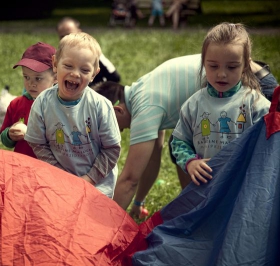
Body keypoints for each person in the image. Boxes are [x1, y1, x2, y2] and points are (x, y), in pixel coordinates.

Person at [93, 50, 278, 219]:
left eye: (105, 125)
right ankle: (194, 207)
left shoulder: (146, 107)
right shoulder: (141, 91)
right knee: (178, 144)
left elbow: (129, 179)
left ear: (117, 110)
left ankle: (208, 209)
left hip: (254, 85)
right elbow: (152, 158)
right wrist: (138, 203)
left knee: (262, 156)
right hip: (248, 74)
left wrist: (101, 226)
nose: (116, 131)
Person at [171, 22, 271, 186]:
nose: (222, 74)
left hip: (242, 188)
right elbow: (179, 142)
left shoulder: (257, 105)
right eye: (213, 66)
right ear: (204, 63)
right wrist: (190, 162)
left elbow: (269, 147)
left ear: (245, 65)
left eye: (232, 67)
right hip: (206, 189)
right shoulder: (193, 105)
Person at [24, 32, 122, 198]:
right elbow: (38, 144)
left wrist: (89, 179)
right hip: (57, 183)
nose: (75, 74)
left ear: (94, 74)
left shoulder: (100, 106)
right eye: (68, 66)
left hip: (97, 187)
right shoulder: (42, 103)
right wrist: (61, 176)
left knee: (92, 223)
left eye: (84, 70)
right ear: (55, 64)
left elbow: (111, 149)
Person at [0, 42, 57, 158]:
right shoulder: (16, 104)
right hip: (22, 166)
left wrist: (31, 134)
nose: (31, 83)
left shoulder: (60, 105)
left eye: (38, 78)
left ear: (55, 77)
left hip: (50, 169)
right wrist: (10, 134)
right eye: (26, 77)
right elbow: (4, 137)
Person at [56, 16, 121, 87]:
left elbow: (115, 77)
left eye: (70, 34)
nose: (67, 39)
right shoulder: (60, 56)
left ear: (79, 32)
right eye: (63, 36)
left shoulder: (92, 53)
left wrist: (97, 90)